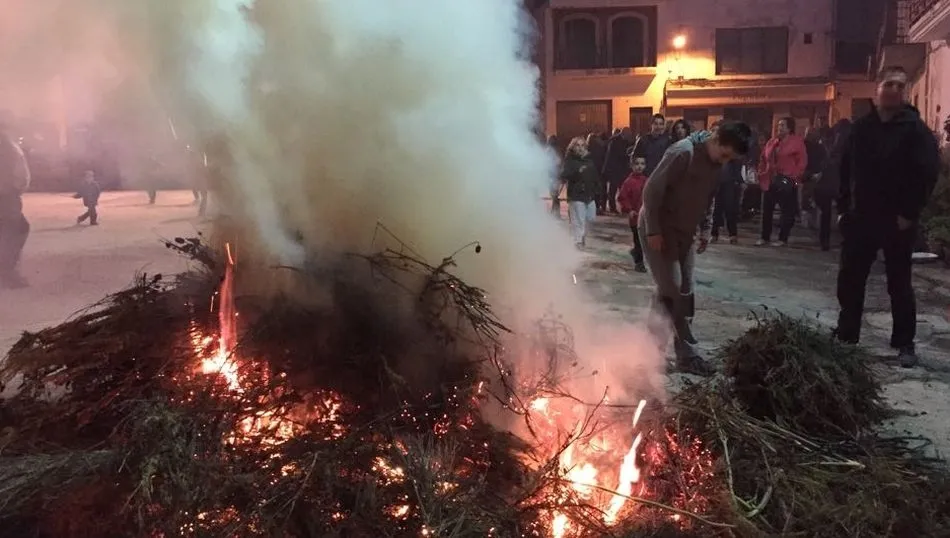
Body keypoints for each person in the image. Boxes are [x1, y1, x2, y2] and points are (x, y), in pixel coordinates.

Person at [835, 66, 939, 368]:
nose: (893, 89)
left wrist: (909, 213)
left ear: (905, 93)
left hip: (897, 220)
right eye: (887, 84)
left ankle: (904, 343)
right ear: (876, 90)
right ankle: (847, 335)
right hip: (861, 217)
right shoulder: (861, 128)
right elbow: (844, 169)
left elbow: (926, 174)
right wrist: (843, 208)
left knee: (899, 283)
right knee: (851, 280)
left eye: (899, 85)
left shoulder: (915, 130)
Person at [640, 121, 752, 374]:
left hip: (685, 232)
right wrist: (653, 230)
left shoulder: (716, 165)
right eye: (724, 154)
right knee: (672, 290)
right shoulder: (683, 153)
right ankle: (662, 354)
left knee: (684, 290)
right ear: (715, 138)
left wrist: (705, 229)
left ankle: (677, 355)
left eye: (730, 159)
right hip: (661, 228)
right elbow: (651, 192)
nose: (724, 162)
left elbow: (708, 198)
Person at [756, 117, 807, 247]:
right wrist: (761, 171)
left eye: (782, 125)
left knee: (787, 211)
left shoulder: (796, 142)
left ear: (789, 128)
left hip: (787, 179)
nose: (779, 128)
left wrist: (795, 176)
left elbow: (802, 162)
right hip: (770, 178)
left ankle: (782, 238)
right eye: (778, 125)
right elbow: (763, 158)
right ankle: (764, 237)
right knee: (767, 209)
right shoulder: (772, 142)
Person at [0, 126, 31, 288]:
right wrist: (17, 187)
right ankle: (6, 271)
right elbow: (20, 175)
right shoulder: (8, 146)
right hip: (5, 196)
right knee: (16, 230)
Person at [815, 120, 851, 250]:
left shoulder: (827, 142)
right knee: (844, 211)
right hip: (841, 182)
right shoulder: (851, 141)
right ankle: (845, 239)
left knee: (826, 213)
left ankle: (824, 241)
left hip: (828, 181)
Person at [560, 136, 601, 248]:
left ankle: (581, 235)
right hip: (576, 195)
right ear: (573, 147)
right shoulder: (570, 160)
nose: (580, 148)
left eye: (582, 145)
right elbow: (564, 175)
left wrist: (598, 189)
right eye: (577, 145)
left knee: (590, 218)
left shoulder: (589, 160)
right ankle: (577, 241)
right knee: (578, 220)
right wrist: (577, 171)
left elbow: (595, 176)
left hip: (589, 195)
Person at [618, 155, 649, 272]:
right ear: (632, 166)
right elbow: (622, 197)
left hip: (646, 216)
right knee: (638, 240)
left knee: (644, 241)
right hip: (635, 217)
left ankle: (635, 252)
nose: (640, 166)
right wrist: (629, 209)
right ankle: (639, 263)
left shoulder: (647, 180)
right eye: (637, 164)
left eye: (642, 164)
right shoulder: (628, 182)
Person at [602, 127, 635, 213]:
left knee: (622, 189)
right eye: (628, 134)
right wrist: (628, 154)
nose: (630, 136)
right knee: (613, 189)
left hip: (620, 170)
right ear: (624, 133)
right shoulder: (615, 141)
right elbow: (618, 155)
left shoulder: (622, 141)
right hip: (614, 169)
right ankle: (613, 207)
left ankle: (624, 207)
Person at [711, 157, 743, 244]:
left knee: (730, 209)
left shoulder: (733, 157)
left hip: (730, 183)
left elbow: (738, 167)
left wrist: (738, 181)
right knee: (716, 209)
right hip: (717, 183)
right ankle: (714, 234)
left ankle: (733, 235)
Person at [586, 132, 607, 214]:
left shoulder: (587, 149)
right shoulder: (600, 147)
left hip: (591, 172)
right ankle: (597, 207)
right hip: (597, 171)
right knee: (597, 191)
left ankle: (593, 207)